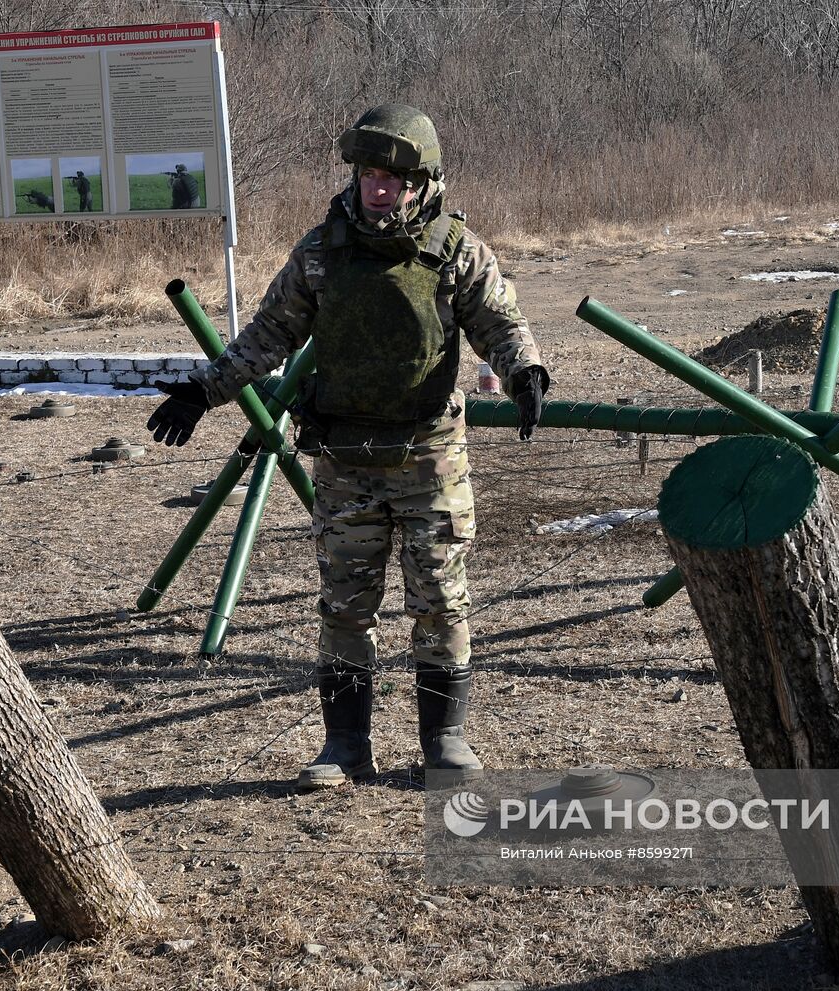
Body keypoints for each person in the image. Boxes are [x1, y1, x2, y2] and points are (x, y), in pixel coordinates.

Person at [146, 104, 549, 789]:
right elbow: (267, 334)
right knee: (343, 606)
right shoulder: (320, 254)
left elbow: (500, 320)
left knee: (440, 602)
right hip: (345, 462)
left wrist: (526, 374)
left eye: (393, 176)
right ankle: (345, 746)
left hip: (429, 458)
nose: (379, 187)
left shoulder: (453, 250)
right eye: (369, 173)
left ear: (420, 183)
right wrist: (203, 390)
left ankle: (446, 744)